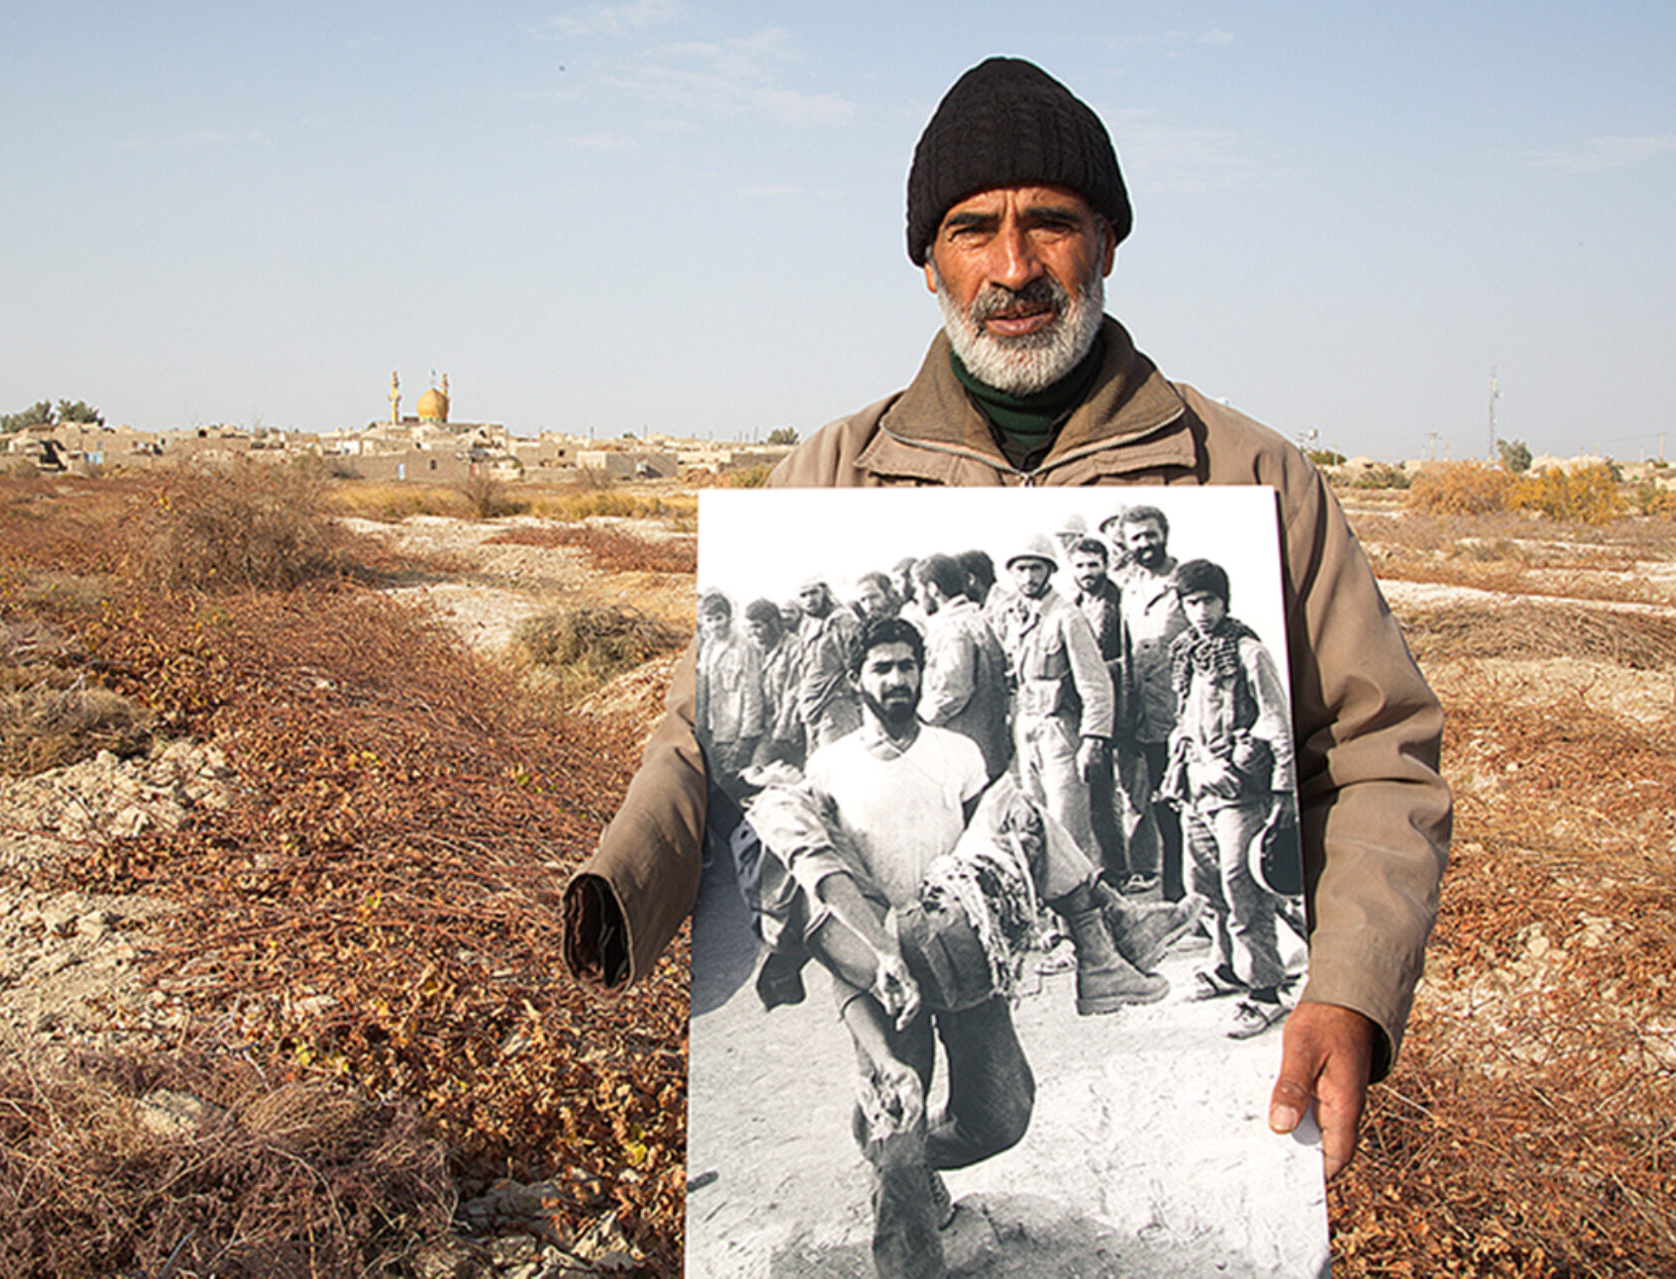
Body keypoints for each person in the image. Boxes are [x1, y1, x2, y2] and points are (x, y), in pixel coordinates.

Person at [564, 55, 1451, 1184]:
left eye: (1053, 224)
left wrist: (1350, 992)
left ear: (1110, 242)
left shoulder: (1248, 475)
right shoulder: (828, 478)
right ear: (928, 261)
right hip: (881, 854)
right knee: (899, 1061)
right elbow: (707, 741)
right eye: (975, 228)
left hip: (1022, 819)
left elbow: (1380, 757)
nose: (1015, 266)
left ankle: (1090, 965)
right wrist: (621, 887)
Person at [759, 616, 1193, 1276]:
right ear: (856, 680)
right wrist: (878, 963)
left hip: (958, 944)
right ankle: (908, 1240)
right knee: (896, 1124)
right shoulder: (830, 765)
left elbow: (985, 855)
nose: (898, 679)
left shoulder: (956, 752)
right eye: (882, 668)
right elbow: (830, 895)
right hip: (888, 966)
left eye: (908, 665)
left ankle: (904, 1159)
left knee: (1003, 1115)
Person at [1160, 560, 1300, 1040]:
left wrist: (1283, 794)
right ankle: (1225, 969)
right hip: (1198, 785)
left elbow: (1277, 725)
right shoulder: (1185, 653)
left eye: (1209, 601)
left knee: (1244, 886)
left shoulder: (1248, 652)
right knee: (1204, 885)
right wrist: (1186, 772)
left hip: (1242, 789)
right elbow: (1182, 722)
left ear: (1225, 601)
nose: (1201, 611)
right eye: (1192, 602)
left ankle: (1266, 990)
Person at [989, 532, 1112, 865]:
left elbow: (1096, 684)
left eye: (1036, 568)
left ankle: (1083, 909)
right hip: (1026, 727)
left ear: (1050, 570)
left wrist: (1093, 739)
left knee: (1067, 826)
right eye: (1022, 569)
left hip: (1061, 729)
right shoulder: (1014, 616)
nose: (1029, 577)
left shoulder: (1066, 616)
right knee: (1034, 822)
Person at [1069, 534, 1163, 894]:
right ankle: (1115, 868)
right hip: (1092, 713)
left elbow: (1132, 661)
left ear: (1106, 565)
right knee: (1099, 795)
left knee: (1135, 792)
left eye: (1094, 565)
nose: (1087, 572)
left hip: (1126, 708)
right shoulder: (1074, 605)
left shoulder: (1121, 602)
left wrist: (1130, 710)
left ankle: (1145, 869)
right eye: (1080, 566)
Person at [1115, 504, 1190, 896]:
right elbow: (1127, 654)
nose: (1145, 543)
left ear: (1164, 533)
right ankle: (1175, 894)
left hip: (1183, 716)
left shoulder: (1185, 583)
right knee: (1161, 807)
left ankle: (1201, 899)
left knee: (1189, 811)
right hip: (1147, 717)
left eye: (1150, 534)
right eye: (1136, 537)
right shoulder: (1128, 588)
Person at [913, 552, 1012, 780]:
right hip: (986, 743)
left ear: (933, 589)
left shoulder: (953, 630)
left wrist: (919, 720)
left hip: (964, 745)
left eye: (919, 589)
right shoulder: (976, 619)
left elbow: (953, 690)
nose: (917, 597)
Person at [694, 592, 763, 800]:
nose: (715, 625)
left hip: (734, 733)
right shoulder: (708, 648)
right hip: (713, 731)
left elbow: (753, 692)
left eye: (719, 618)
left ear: (729, 618)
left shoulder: (744, 647)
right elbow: (704, 692)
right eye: (709, 619)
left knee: (735, 787)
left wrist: (746, 737)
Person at [794, 576, 862, 753]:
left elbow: (854, 664)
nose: (809, 600)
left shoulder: (843, 621)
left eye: (814, 593)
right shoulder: (808, 624)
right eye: (803, 595)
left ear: (825, 592)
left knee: (836, 766)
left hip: (837, 705)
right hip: (812, 707)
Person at [744, 597, 806, 771]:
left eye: (758, 626)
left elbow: (793, 692)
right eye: (750, 627)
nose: (754, 632)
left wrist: (781, 733)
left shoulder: (794, 647)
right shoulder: (756, 650)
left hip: (789, 727)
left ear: (773, 624)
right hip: (764, 725)